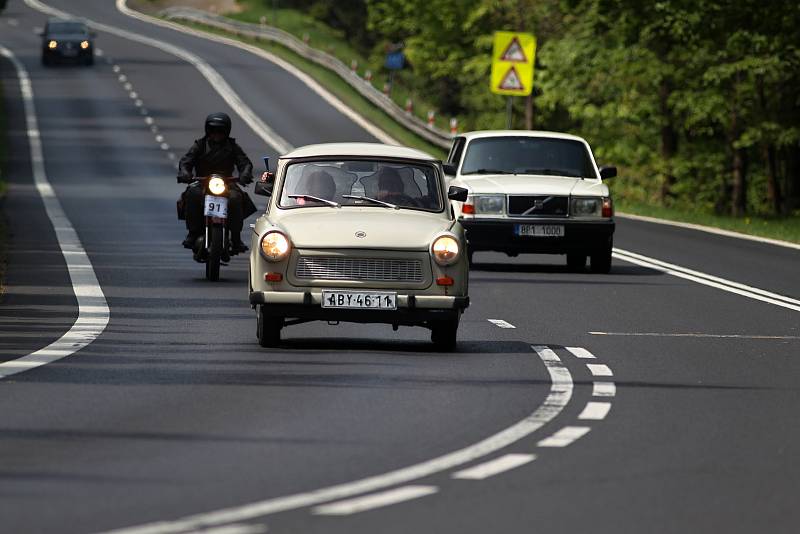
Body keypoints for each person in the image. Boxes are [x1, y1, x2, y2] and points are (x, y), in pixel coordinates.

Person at [177, 112, 254, 254]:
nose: (216, 134)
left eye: (220, 131)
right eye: (213, 130)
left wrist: (245, 174)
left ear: (226, 131)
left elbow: (245, 163)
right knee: (192, 194)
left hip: (227, 183)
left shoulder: (232, 146)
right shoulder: (199, 145)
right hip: (202, 182)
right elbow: (186, 161)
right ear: (208, 130)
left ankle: (236, 238)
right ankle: (193, 233)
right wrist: (185, 173)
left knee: (236, 198)